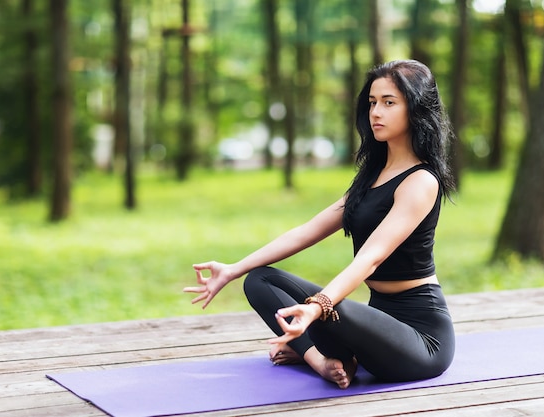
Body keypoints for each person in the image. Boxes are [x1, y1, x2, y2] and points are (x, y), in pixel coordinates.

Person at [185, 59, 456, 389]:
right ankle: (321, 361)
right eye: (372, 102)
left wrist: (318, 307)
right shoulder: (372, 176)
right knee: (259, 280)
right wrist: (233, 269)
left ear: (415, 109)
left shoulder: (421, 181)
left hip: (420, 341)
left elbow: (372, 257)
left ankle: (331, 349)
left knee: (328, 308)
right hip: (374, 321)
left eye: (389, 102)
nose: (375, 112)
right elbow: (307, 231)